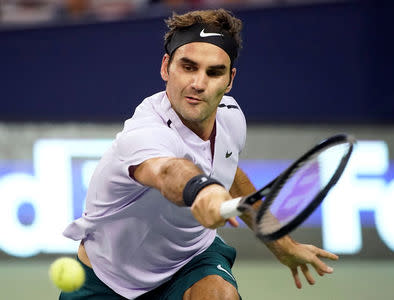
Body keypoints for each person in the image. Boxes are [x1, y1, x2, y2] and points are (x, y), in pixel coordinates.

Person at [61, 8, 338, 300]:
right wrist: (202, 190)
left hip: (191, 263)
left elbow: (230, 175)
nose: (199, 83)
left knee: (219, 296)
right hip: (107, 280)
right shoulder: (144, 132)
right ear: (166, 67)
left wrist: (282, 244)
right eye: (188, 67)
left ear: (229, 80)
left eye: (214, 72)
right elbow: (168, 172)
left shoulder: (230, 118)